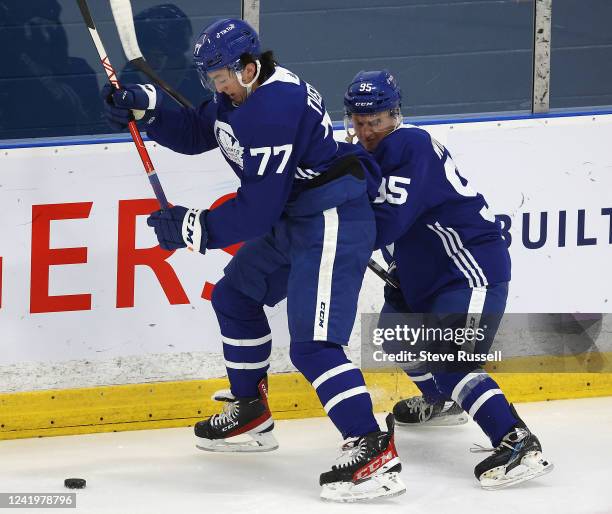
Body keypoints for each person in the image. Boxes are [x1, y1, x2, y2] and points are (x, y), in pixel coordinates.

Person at [101, 19, 405, 502]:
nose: (215, 87)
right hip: (297, 219)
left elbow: (257, 210)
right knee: (235, 296)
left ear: (247, 68)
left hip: (330, 223)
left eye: (220, 77)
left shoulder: (273, 108)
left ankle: (371, 448)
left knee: (313, 346)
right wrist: (150, 111)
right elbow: (206, 129)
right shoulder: (246, 90)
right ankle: (251, 412)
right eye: (210, 79)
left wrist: (191, 228)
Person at [343, 70, 554, 490]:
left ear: (395, 115)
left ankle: (517, 441)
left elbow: (388, 222)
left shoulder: (409, 144)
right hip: (425, 271)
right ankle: (441, 401)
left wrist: (329, 226)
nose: (367, 132)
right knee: (394, 337)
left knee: (450, 359)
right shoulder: (373, 150)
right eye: (359, 122)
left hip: (468, 269)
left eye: (376, 121)